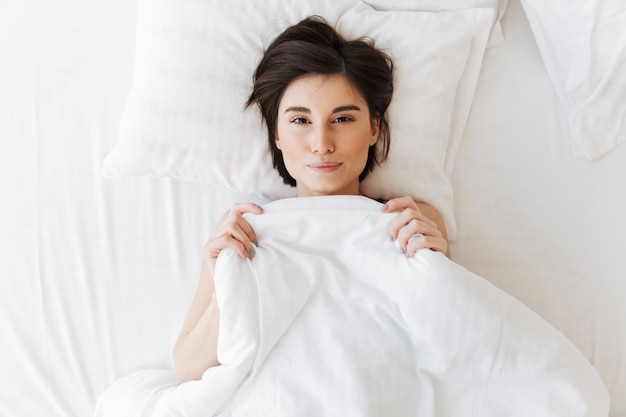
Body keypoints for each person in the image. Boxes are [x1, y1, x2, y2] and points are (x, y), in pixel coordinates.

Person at [172, 16, 449, 384]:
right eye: (301, 121)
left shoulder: (407, 218)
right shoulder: (246, 229)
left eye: (343, 119)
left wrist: (441, 265)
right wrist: (225, 280)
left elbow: (449, 341)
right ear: (277, 135)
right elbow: (188, 370)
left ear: (374, 128)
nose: (322, 143)